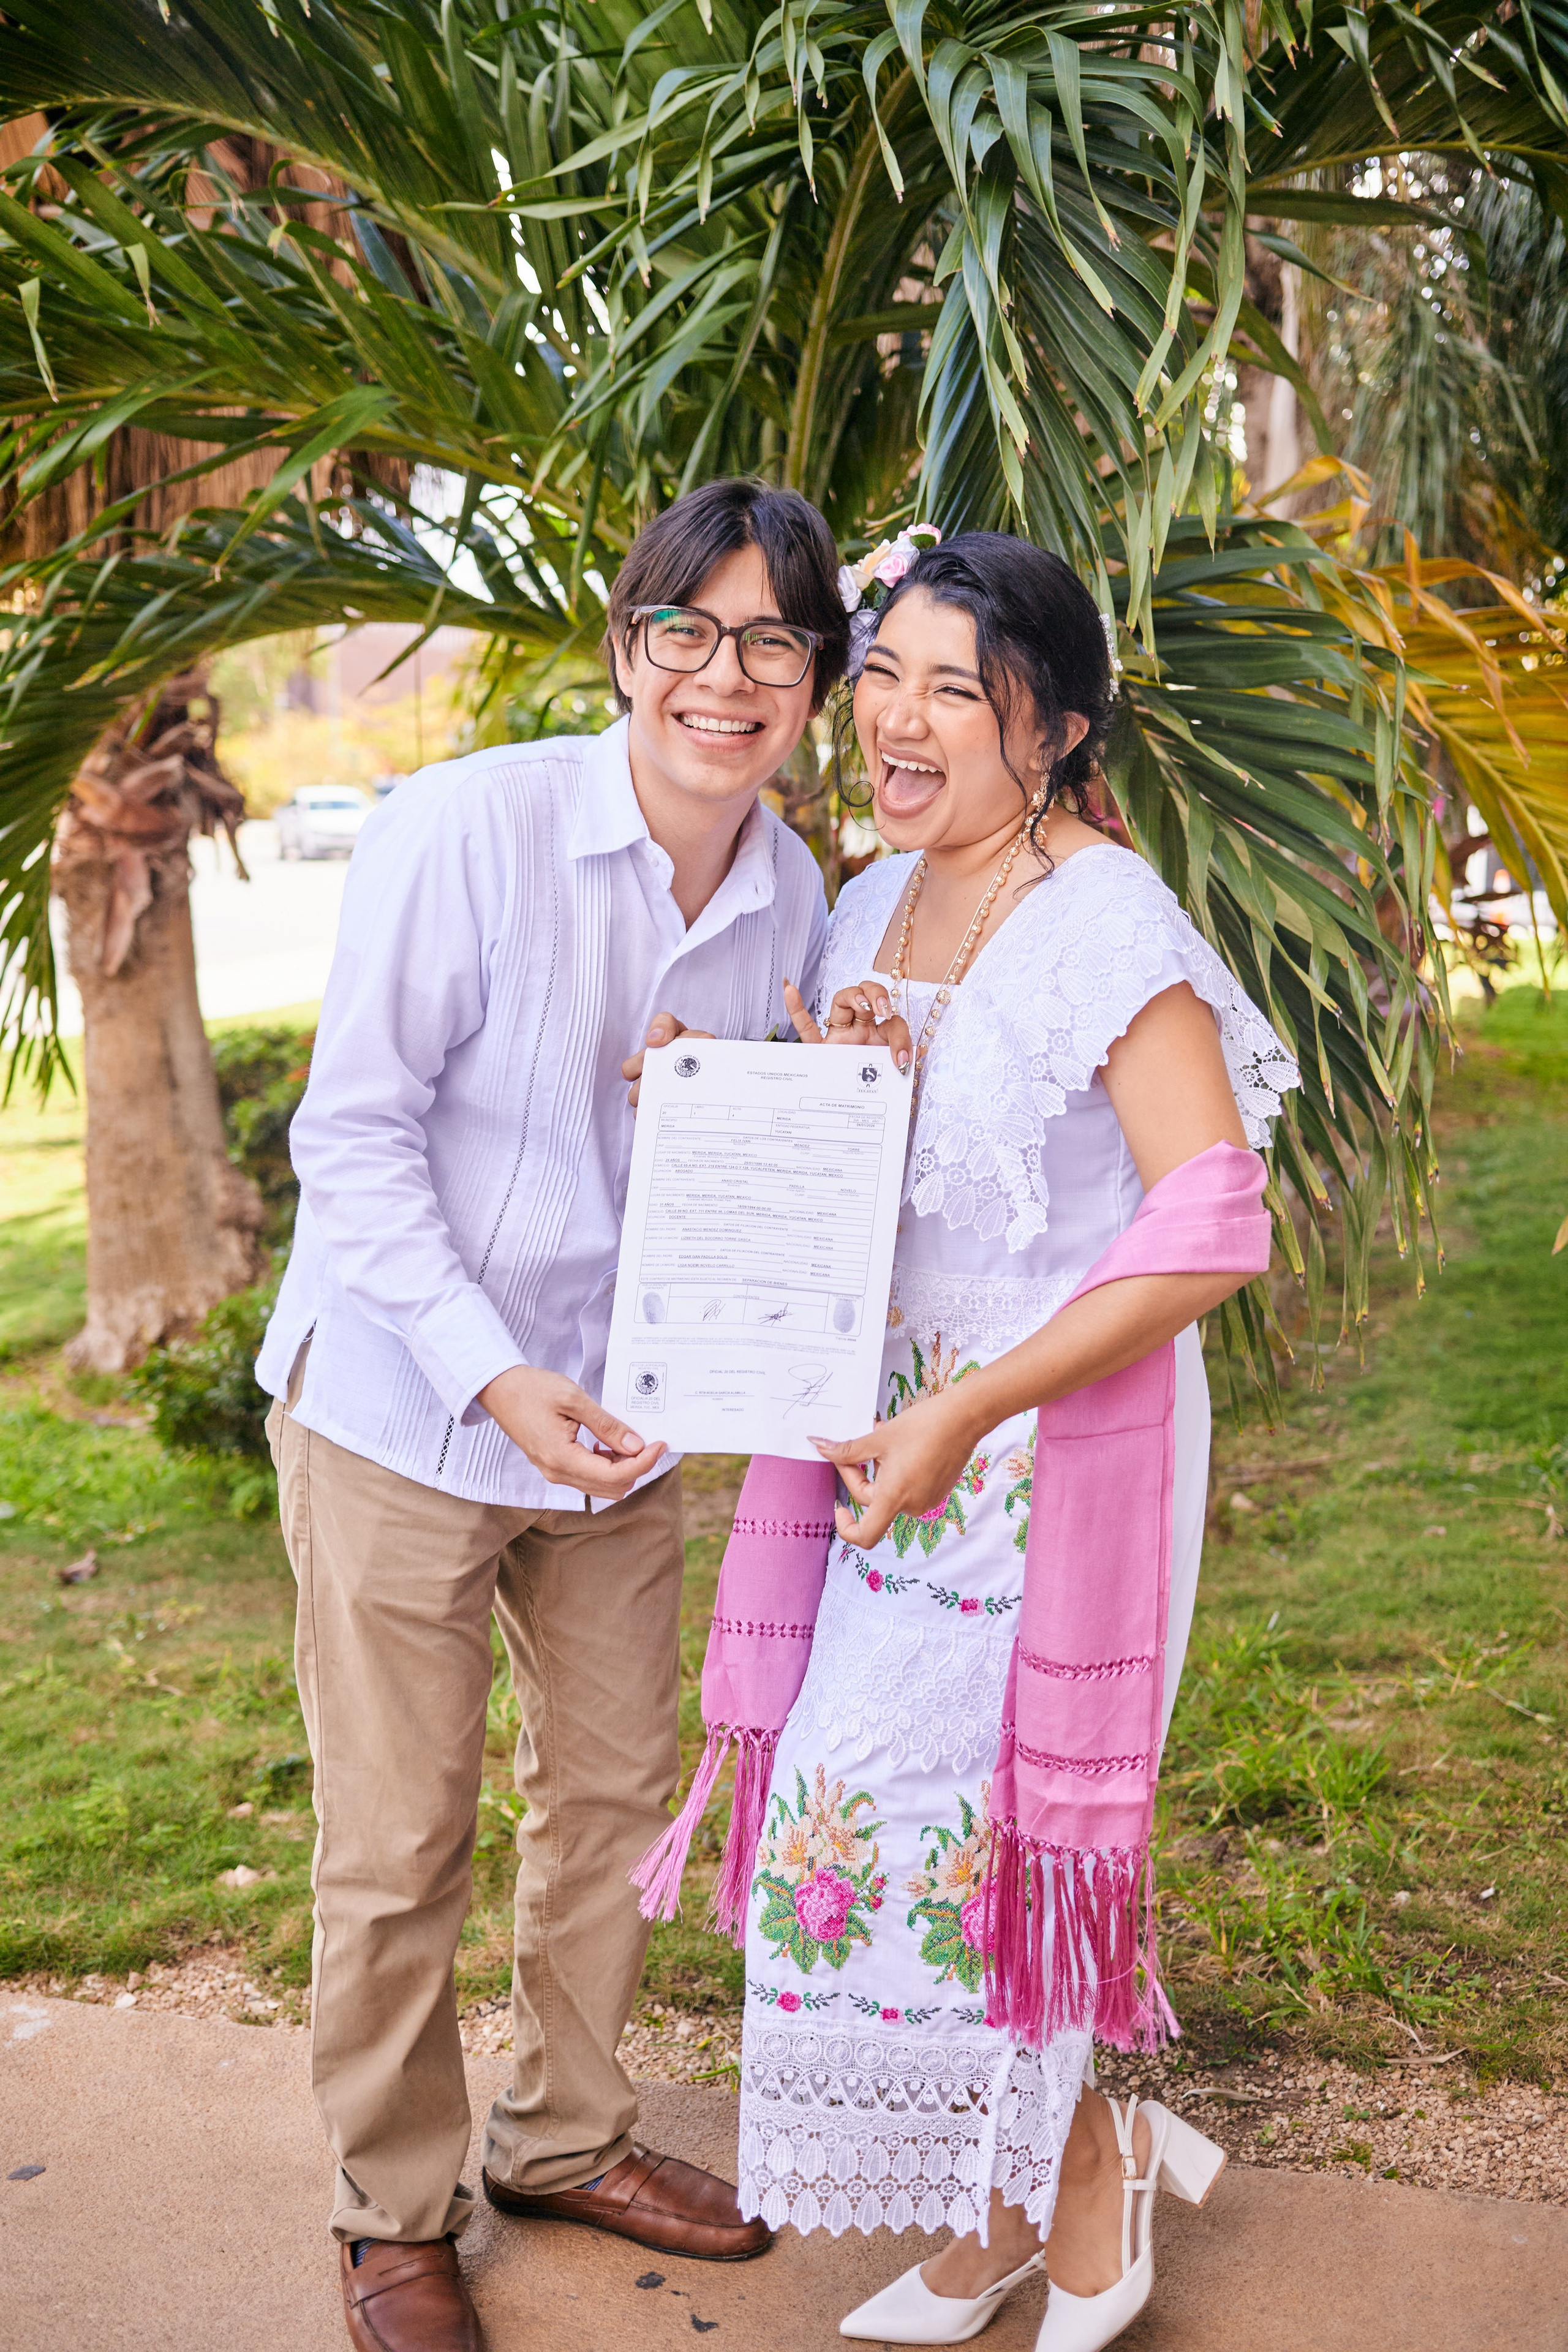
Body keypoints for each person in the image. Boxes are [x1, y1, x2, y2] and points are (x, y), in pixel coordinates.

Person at [257, 478, 850, 2352]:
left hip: (624, 1430)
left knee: (605, 1800)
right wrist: (488, 1373)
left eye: (773, 641)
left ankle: (567, 2133)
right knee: (399, 1831)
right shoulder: (466, 826)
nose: (725, 676)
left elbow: (785, 1162)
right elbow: (346, 1138)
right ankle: (393, 2204)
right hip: (405, 1411)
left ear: (816, 681)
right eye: (690, 631)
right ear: (627, 647)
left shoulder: (797, 891)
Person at [722, 532, 1298, 2348]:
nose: (891, 713)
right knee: (888, 1832)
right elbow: (841, 1164)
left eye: (949, 686)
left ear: (1044, 729)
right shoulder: (857, 901)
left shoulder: (1104, 919)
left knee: (965, 1833)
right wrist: (713, 1092)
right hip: (882, 1457)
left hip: (1046, 1450)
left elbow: (1216, 1217)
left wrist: (974, 1406)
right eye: (881, 668)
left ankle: (1069, 2182)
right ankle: (1020, 2203)